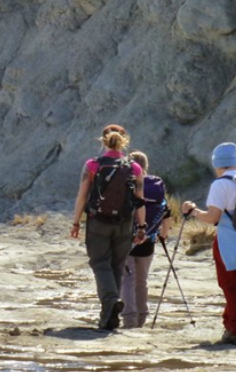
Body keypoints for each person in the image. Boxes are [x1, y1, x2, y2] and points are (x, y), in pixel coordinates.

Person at [181, 142, 236, 346]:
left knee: (231, 285)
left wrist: (193, 211)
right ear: (235, 162)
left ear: (217, 164)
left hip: (230, 241)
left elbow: (212, 218)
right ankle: (231, 325)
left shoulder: (220, 185)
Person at [70, 124, 147, 330]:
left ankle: (111, 303)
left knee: (100, 264)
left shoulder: (93, 165)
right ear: (124, 140)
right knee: (117, 266)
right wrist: (142, 227)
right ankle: (109, 318)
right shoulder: (134, 168)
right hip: (124, 224)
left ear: (103, 141)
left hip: (98, 222)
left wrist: (76, 222)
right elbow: (140, 200)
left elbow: (82, 195)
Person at [121, 150, 171, 329]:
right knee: (142, 280)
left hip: (127, 239)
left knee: (127, 279)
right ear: (146, 166)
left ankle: (129, 318)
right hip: (148, 239)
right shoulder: (156, 186)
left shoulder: (127, 183)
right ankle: (142, 317)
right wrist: (163, 235)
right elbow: (166, 212)